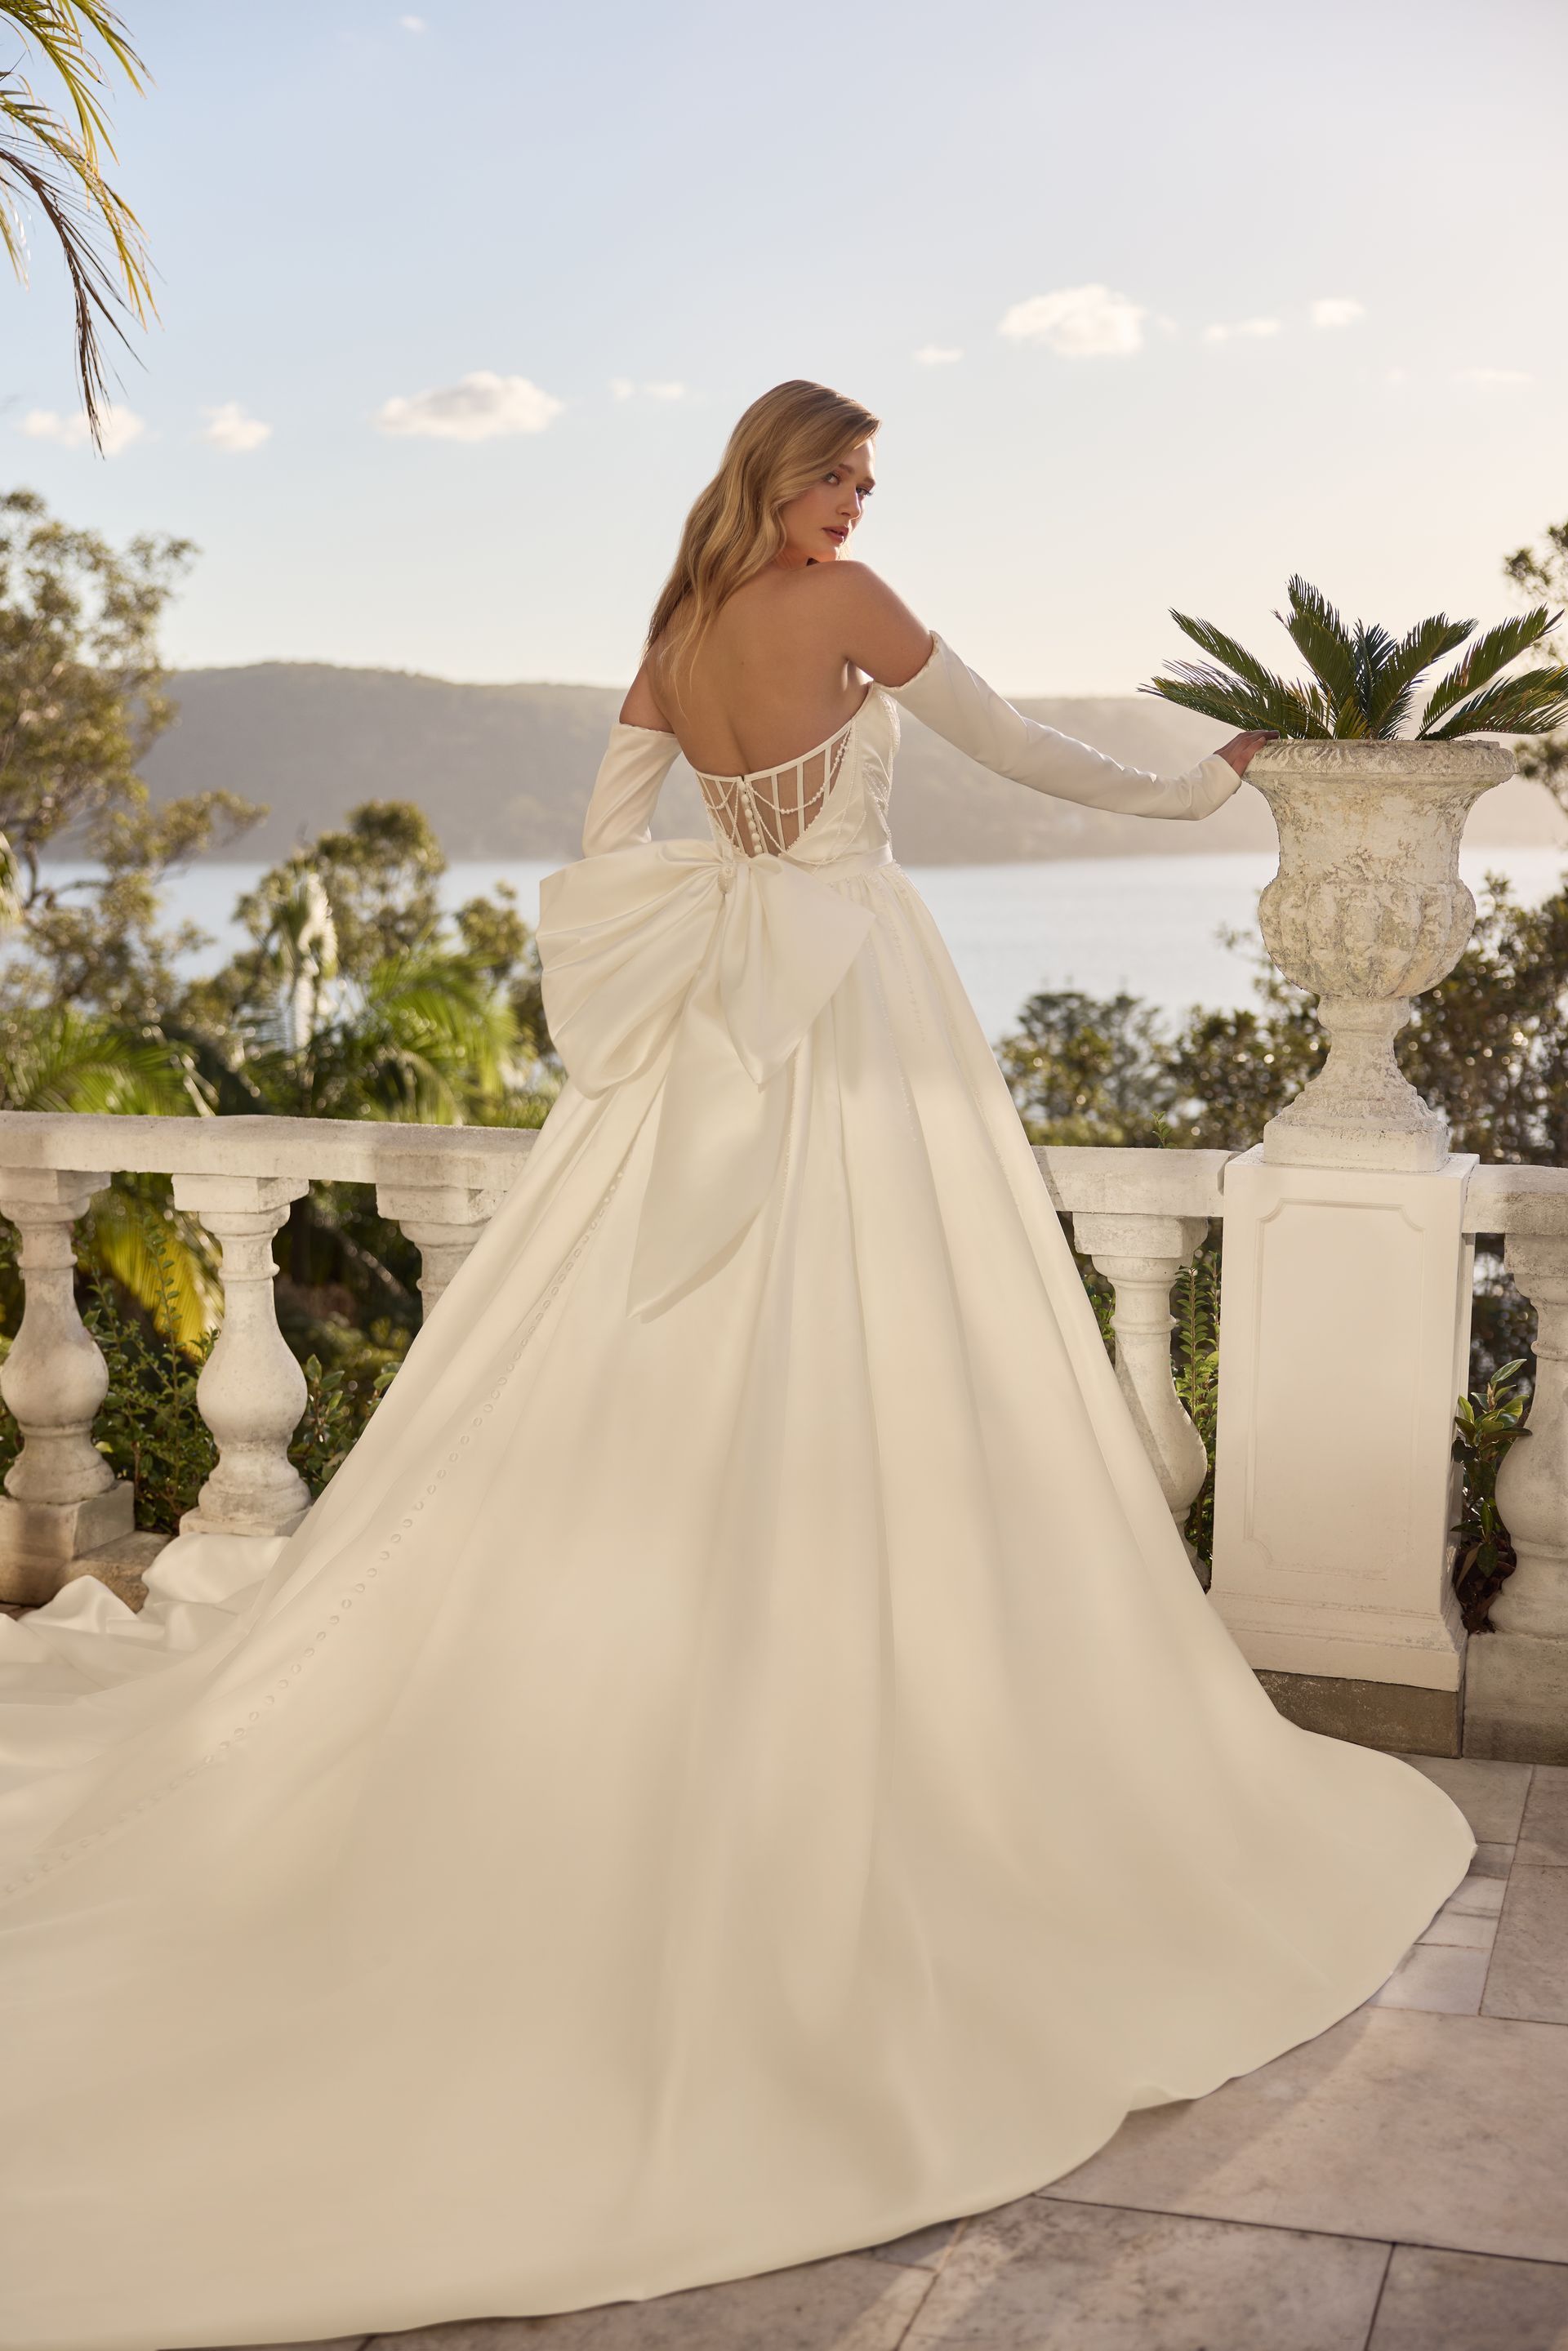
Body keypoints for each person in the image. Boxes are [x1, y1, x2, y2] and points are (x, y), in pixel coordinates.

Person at [0, 379, 1472, 2351]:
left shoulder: (674, 633)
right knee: (888, 1336)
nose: (855, 507)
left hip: (718, 1026)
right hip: (852, 1010)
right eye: (838, 474)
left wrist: (684, 937)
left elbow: (613, 837)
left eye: (870, 484)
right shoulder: (842, 614)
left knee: (677, 1346)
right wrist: (1202, 789)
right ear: (773, 476)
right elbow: (1016, 748)